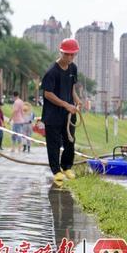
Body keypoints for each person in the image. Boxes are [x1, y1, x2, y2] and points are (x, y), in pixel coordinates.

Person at [41, 38, 83, 185]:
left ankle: (67, 167)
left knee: (70, 140)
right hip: (53, 115)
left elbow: (71, 88)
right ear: (61, 52)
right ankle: (56, 171)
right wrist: (65, 104)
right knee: (53, 144)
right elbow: (48, 94)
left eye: (73, 55)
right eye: (67, 54)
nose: (70, 58)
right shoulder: (52, 72)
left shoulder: (73, 69)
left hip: (68, 114)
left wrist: (76, 100)